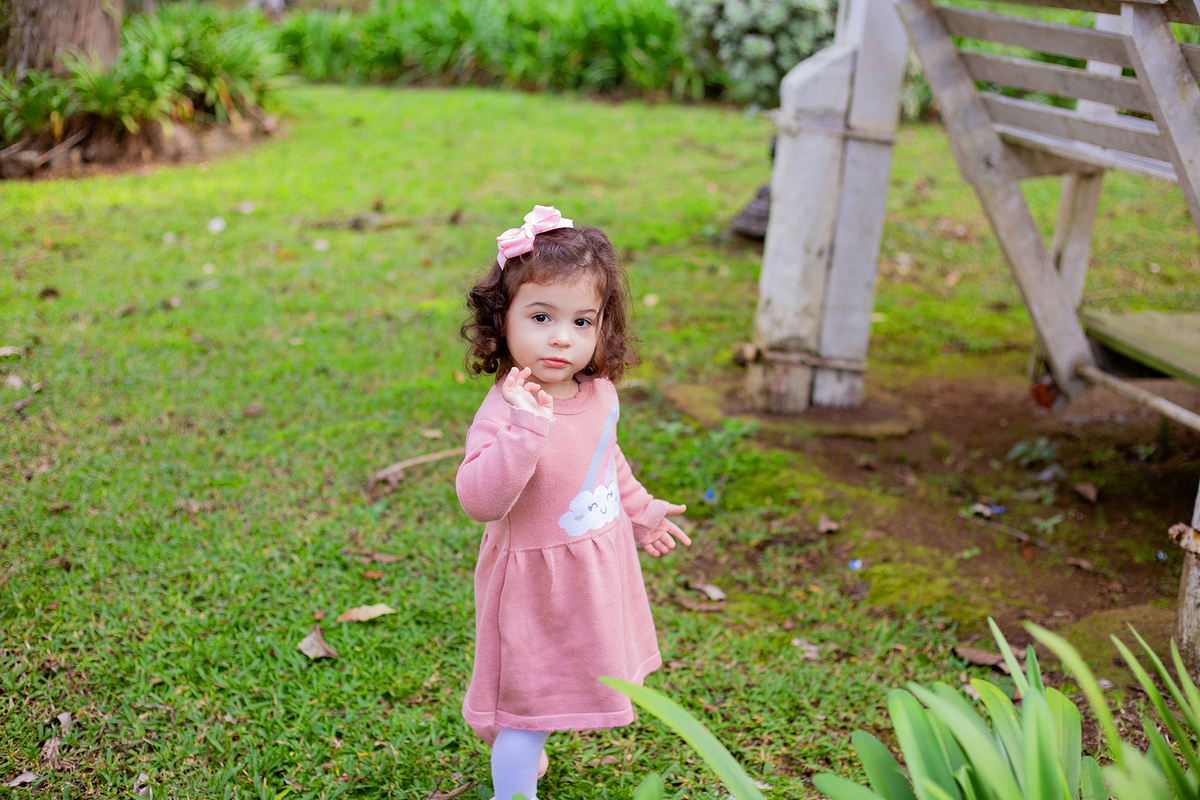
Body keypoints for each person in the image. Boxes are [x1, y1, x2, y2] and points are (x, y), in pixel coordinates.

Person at [457, 205, 692, 800]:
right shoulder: (509, 408)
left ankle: (524, 742)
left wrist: (640, 511)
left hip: (592, 568)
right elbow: (479, 498)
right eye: (541, 316)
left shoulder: (599, 394)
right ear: (502, 321)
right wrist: (525, 432)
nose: (562, 337)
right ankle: (514, 777)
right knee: (525, 703)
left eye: (582, 321)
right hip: (534, 582)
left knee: (563, 681)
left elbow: (603, 462)